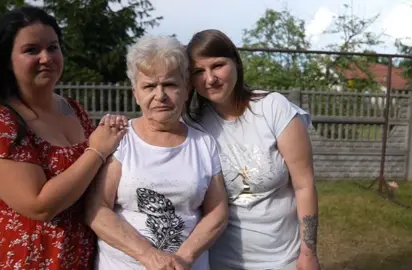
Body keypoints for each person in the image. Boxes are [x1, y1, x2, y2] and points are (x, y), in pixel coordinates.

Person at [0, 6, 126, 269]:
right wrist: (97, 151)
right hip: (22, 257)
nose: (46, 58)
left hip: (76, 255)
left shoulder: (74, 109)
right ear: (7, 61)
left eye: (53, 47)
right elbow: (38, 206)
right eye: (31, 50)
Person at [84, 35, 229, 270]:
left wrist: (183, 258)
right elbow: (97, 209)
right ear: (136, 93)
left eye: (170, 85)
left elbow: (217, 211)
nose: (159, 95)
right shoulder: (120, 138)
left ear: (186, 89)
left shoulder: (204, 143)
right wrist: (150, 256)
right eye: (149, 86)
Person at [184, 29, 320, 270]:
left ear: (236, 62)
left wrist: (308, 254)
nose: (210, 78)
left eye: (217, 65)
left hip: (283, 259)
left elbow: (304, 184)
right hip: (218, 260)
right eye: (198, 71)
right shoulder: (194, 127)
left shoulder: (273, 108)